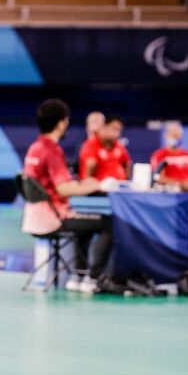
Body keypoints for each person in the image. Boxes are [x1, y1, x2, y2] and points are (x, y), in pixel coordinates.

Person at [23, 99, 112, 293]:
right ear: (62, 123)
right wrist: (95, 185)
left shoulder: (34, 147)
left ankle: (78, 275)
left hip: (33, 218)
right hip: (53, 219)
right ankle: (94, 278)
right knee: (107, 222)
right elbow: (63, 189)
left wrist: (82, 184)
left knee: (85, 222)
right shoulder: (52, 150)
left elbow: (52, 184)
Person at [79, 114, 131, 182]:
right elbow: (90, 167)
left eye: (119, 130)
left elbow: (127, 163)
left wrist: (126, 181)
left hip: (119, 186)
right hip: (99, 188)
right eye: (114, 129)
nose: (117, 134)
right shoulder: (91, 144)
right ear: (104, 127)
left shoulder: (118, 145)